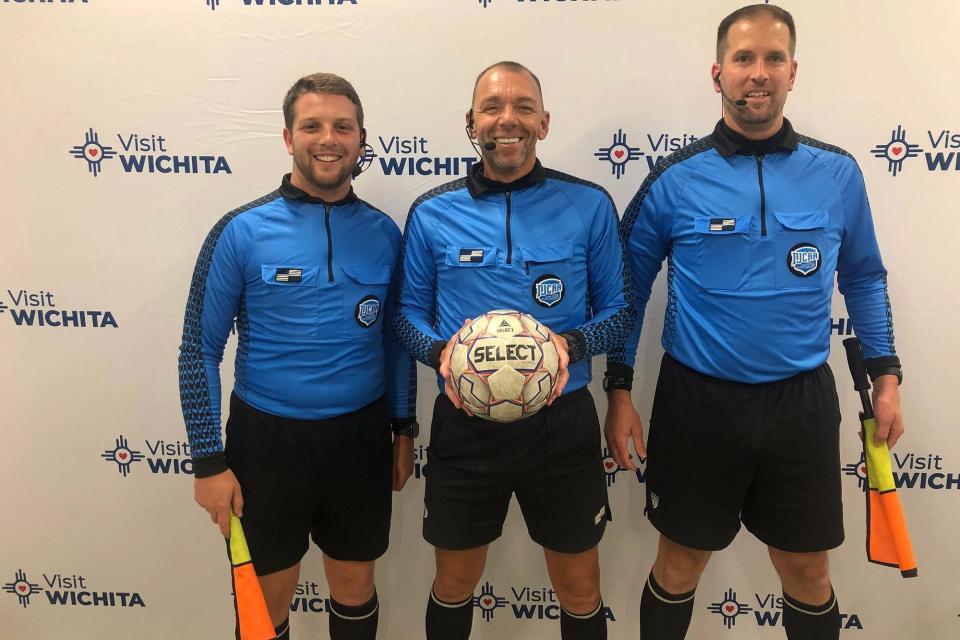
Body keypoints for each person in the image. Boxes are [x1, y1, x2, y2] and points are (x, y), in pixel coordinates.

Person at [604, 5, 905, 639]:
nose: (758, 73)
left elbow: (865, 277)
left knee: (807, 572)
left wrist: (886, 374)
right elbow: (628, 290)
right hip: (697, 404)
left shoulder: (838, 172)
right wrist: (620, 390)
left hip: (800, 404)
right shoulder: (673, 178)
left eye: (772, 59)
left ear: (794, 71)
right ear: (718, 74)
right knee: (680, 563)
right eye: (744, 59)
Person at [395, 61, 634, 640]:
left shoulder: (590, 204)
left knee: (579, 587)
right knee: (453, 582)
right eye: (493, 108)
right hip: (464, 423)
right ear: (471, 122)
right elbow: (405, 318)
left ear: (544, 123)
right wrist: (444, 355)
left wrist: (567, 347)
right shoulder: (432, 211)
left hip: (562, 424)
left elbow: (622, 311)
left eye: (524, 107)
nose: (509, 120)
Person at [177, 72, 418, 640]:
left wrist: (403, 430)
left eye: (342, 126)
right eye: (312, 125)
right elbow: (198, 351)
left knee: (356, 588)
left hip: (360, 440)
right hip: (268, 443)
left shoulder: (385, 234)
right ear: (289, 138)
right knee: (266, 601)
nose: (327, 138)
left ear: (362, 140)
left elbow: (396, 343)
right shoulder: (239, 231)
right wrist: (208, 461)